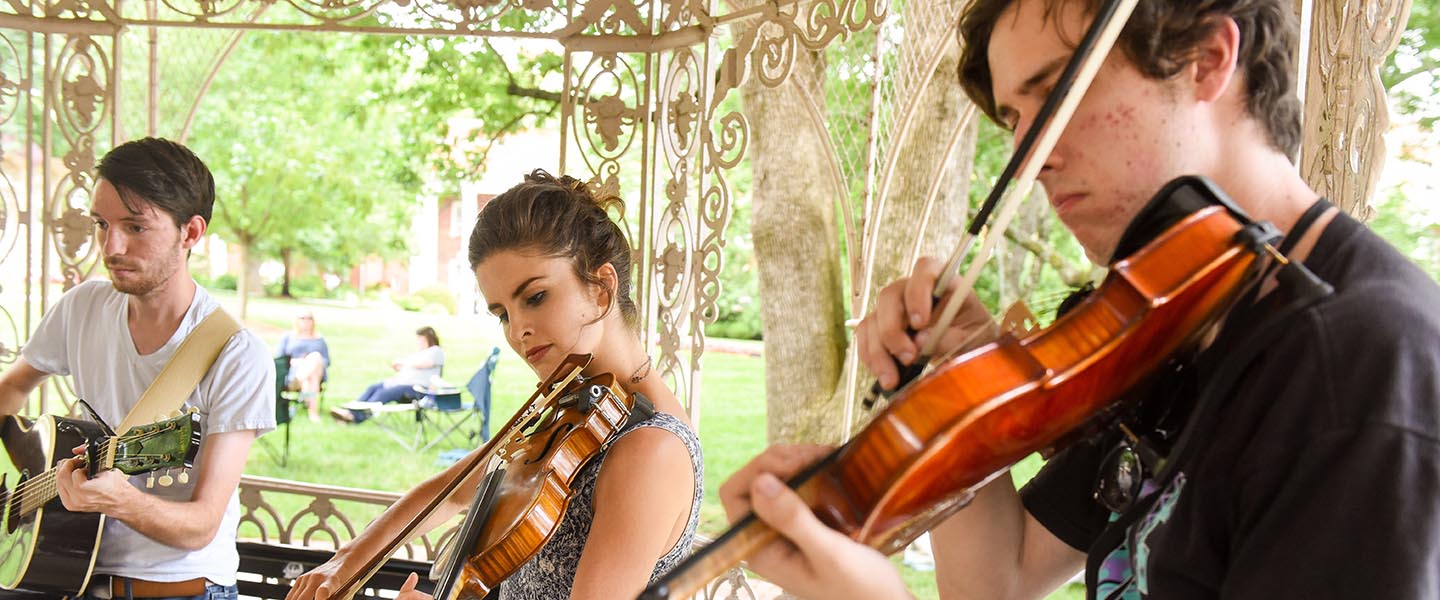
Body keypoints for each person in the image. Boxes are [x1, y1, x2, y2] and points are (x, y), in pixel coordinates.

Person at [718, 1, 1440, 599]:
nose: (1030, 158)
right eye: (1013, 120)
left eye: (1059, 92)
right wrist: (961, 387)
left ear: (1210, 59)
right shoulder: (1175, 314)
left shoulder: (1359, 365)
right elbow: (1002, 577)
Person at [288, 170, 703, 599]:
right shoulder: (579, 405)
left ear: (600, 290)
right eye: (502, 313)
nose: (517, 330)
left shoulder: (650, 449)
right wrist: (343, 565)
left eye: (535, 297)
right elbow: (449, 494)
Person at [0, 137, 276, 599]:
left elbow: (201, 525)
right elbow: (12, 388)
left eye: (135, 227)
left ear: (190, 233)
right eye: (101, 224)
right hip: (69, 579)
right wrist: (23, 475)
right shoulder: (82, 307)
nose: (111, 245)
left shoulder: (236, 355)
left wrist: (123, 502)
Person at [330, 326, 445, 424]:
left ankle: (355, 418)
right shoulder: (419, 353)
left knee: (383, 394)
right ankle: (349, 412)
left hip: (417, 389)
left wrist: (404, 362)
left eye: (421, 339)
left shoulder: (436, 351)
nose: (419, 342)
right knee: (373, 387)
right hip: (401, 384)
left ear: (429, 339)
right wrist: (400, 367)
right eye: (418, 339)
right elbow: (412, 367)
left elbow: (425, 364)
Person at [275, 310, 330, 421]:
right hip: (292, 372)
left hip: (315, 372)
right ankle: (312, 413)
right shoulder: (288, 337)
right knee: (310, 377)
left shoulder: (320, 339)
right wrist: (295, 361)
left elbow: (327, 361)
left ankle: (300, 383)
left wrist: (310, 362)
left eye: (309, 318)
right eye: (302, 318)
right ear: (296, 320)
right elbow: (279, 359)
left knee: (315, 358)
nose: (306, 321)